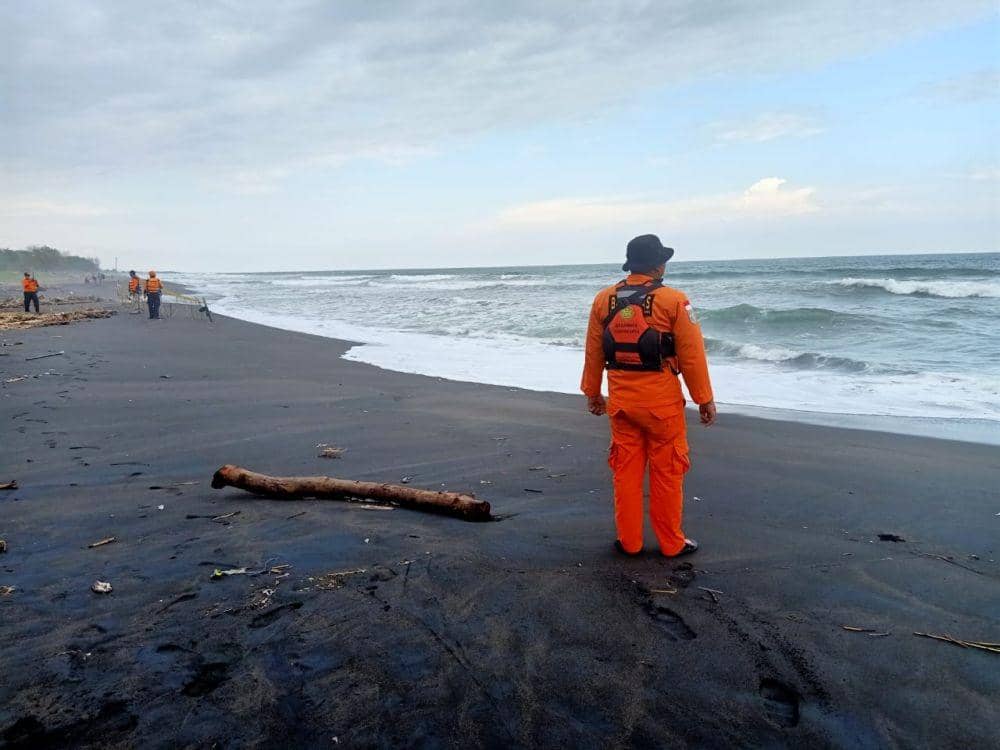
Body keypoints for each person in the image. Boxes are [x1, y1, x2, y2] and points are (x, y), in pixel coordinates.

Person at [581, 234, 716, 557]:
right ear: (657, 265)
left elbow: (594, 351)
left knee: (625, 473)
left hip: (622, 404)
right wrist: (704, 399)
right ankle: (671, 544)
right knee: (667, 473)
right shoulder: (675, 301)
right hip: (662, 407)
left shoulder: (603, 300)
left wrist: (592, 392)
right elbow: (692, 354)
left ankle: (630, 542)